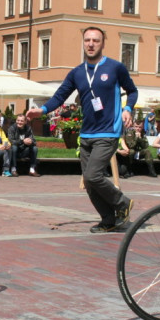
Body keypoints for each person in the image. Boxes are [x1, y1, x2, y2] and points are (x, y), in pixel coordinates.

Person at [27, 26, 138, 233]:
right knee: (89, 182)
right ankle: (108, 220)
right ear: (83, 42)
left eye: (95, 40)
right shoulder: (77, 73)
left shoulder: (115, 68)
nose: (91, 44)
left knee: (93, 176)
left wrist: (128, 109)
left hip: (108, 132)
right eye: (87, 40)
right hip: (86, 134)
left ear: (103, 43)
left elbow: (132, 91)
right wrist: (41, 110)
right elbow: (60, 97)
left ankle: (121, 202)